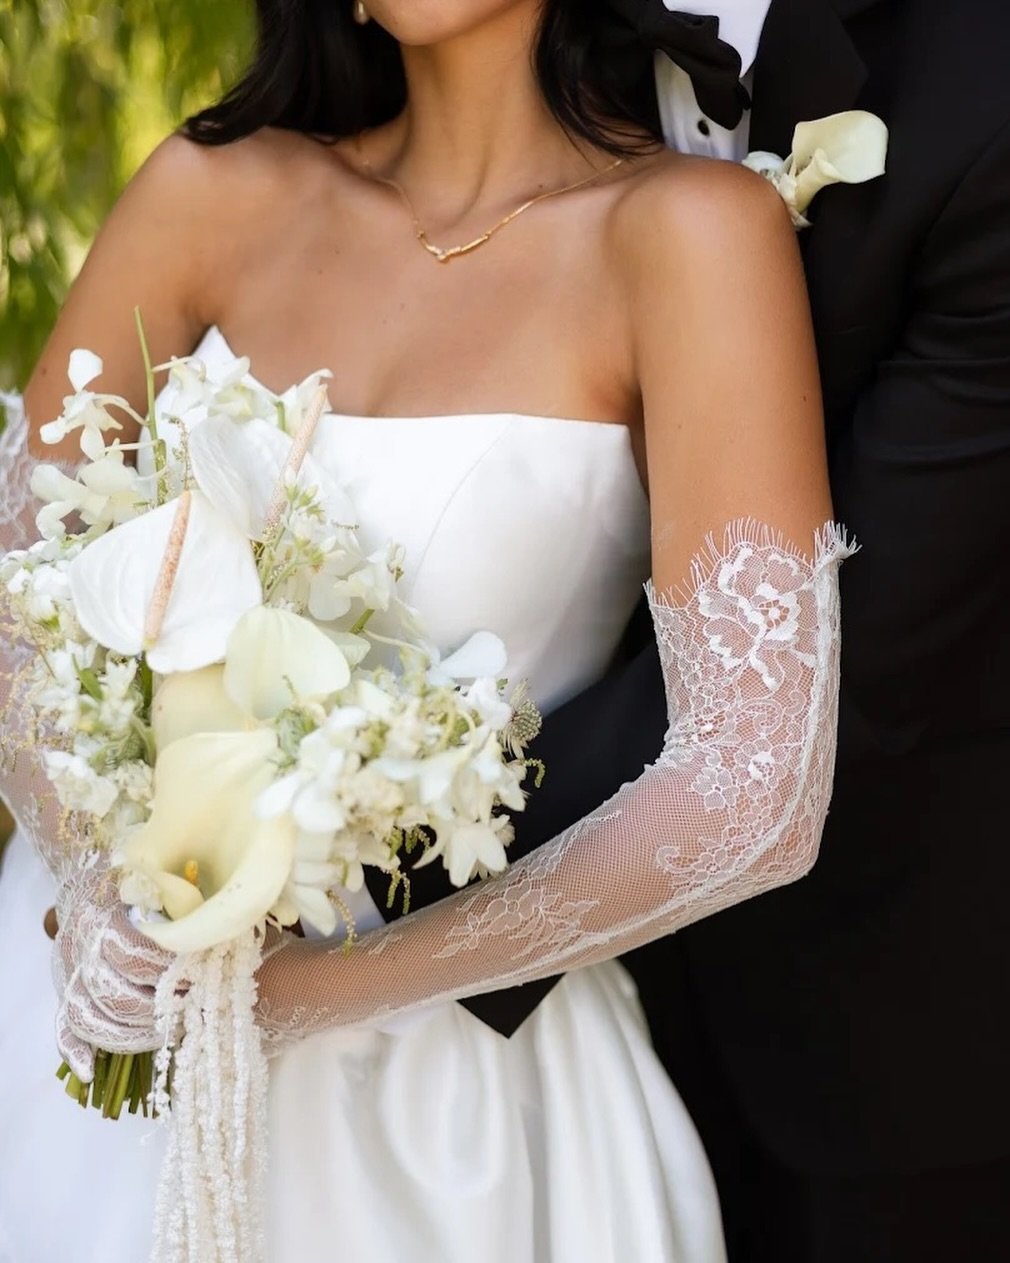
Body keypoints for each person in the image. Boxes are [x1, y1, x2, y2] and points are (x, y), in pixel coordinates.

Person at [0, 2, 850, 1260]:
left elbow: (754, 793)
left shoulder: (688, 234)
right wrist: (95, 887)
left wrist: (299, 999)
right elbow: (20, 603)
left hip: (443, 1101)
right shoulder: (208, 187)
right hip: (83, 1022)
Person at [512, 1, 1010, 1260]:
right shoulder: (473, 37)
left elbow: (844, 640)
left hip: (896, 1021)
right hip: (573, 1041)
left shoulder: (981, 93)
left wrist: (367, 868)